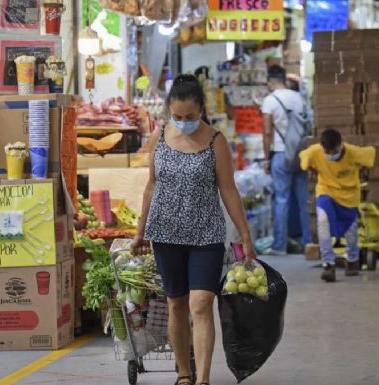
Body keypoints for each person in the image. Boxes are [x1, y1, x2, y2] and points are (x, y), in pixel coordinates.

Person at [131, 74, 257, 385]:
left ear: (201, 109)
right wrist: (141, 230)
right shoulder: (159, 137)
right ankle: (184, 373)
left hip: (206, 234)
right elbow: (151, 185)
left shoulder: (216, 141)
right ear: (168, 111)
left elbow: (228, 190)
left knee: (200, 303)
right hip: (165, 233)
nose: (183, 121)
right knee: (176, 302)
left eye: (190, 116)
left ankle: (203, 378)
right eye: (177, 116)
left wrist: (245, 234)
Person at [300, 128, 375, 282]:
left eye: (333, 152)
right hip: (326, 191)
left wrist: (362, 169)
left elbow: (371, 154)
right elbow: (304, 159)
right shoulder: (315, 151)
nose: (329, 155)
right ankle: (328, 264)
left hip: (349, 196)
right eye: (326, 152)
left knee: (351, 230)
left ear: (340, 146)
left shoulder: (354, 152)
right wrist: (312, 169)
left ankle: (353, 260)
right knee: (323, 222)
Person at [262, 65, 312, 255]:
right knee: (303, 200)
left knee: (281, 199)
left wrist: (266, 159)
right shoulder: (298, 97)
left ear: (270, 82)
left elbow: (267, 132)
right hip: (300, 154)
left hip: (281, 154)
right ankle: (308, 243)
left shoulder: (270, 100)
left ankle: (280, 246)